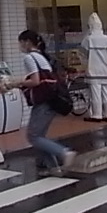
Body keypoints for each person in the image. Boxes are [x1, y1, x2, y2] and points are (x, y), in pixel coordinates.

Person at [13, 29, 76, 177]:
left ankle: (64, 153)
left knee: (33, 136)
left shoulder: (30, 58)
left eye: (21, 43)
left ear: (27, 42)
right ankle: (53, 168)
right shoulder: (41, 56)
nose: (20, 46)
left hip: (44, 102)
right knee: (39, 136)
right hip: (52, 100)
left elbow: (35, 81)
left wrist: (15, 82)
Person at [83, 12, 107, 122]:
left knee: (95, 94)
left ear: (90, 26)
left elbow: (82, 52)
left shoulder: (88, 39)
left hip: (94, 70)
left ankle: (96, 115)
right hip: (106, 70)